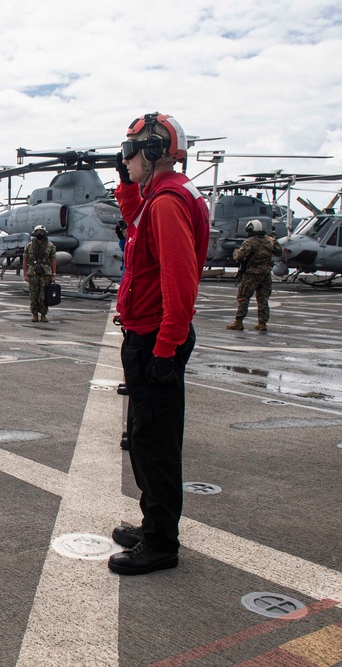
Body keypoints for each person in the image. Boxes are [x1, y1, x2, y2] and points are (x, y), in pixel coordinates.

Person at [108, 112, 210, 576]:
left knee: (155, 444)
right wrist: (125, 184)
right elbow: (136, 224)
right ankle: (154, 524)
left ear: (152, 153)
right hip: (150, 334)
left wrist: (165, 349)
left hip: (155, 338)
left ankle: (160, 544)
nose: (125, 159)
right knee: (147, 437)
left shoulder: (167, 202)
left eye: (130, 151)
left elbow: (179, 281)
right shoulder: (159, 197)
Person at [226, 219, 282, 332]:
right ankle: (262, 323)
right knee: (263, 299)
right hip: (266, 275)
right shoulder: (269, 241)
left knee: (243, 297)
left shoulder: (249, 242)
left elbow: (239, 257)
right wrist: (274, 240)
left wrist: (236, 252)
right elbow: (278, 252)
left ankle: (238, 321)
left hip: (251, 275)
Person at [22, 224, 57, 322]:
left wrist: (54, 274)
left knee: (44, 295)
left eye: (41, 232)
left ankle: (43, 314)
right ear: (34, 233)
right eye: (38, 232)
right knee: (33, 295)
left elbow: (53, 260)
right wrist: (25, 274)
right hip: (33, 273)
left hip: (45, 273)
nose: (39, 234)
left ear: (45, 234)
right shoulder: (29, 246)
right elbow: (25, 260)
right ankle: (34, 314)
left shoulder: (50, 246)